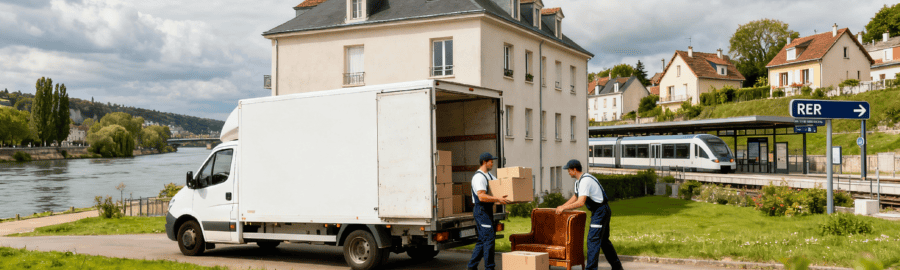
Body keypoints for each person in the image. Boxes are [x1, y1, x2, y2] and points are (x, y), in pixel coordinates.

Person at [555, 159, 623, 270]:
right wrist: (562, 207)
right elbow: (576, 197)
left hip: (600, 212)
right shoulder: (579, 181)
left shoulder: (585, 180)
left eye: (569, 170)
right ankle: (617, 267)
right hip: (600, 211)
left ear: (574, 170)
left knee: (593, 241)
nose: (568, 172)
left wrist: (564, 208)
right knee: (604, 242)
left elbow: (581, 202)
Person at [468, 152, 510, 270]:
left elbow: (500, 189)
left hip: (487, 211)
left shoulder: (489, 176)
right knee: (489, 240)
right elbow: (481, 196)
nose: (492, 163)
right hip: (481, 211)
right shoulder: (479, 177)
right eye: (491, 161)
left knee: (483, 240)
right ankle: (489, 268)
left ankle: (471, 267)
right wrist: (498, 199)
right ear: (485, 162)